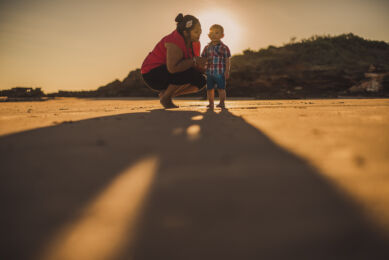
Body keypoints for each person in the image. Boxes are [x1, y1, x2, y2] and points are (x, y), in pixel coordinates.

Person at [141, 13, 207, 108]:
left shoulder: (195, 43)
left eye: (200, 31)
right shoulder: (174, 41)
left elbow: (194, 64)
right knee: (188, 73)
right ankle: (166, 98)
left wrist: (208, 70)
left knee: (201, 80)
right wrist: (195, 60)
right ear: (186, 32)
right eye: (196, 32)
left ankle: (166, 95)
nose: (199, 34)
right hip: (151, 73)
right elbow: (173, 68)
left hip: (169, 72)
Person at [201, 24, 231, 109]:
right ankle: (211, 103)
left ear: (222, 35)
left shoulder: (224, 47)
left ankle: (222, 103)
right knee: (209, 88)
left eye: (217, 33)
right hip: (209, 72)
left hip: (220, 72)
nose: (213, 35)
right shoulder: (207, 47)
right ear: (209, 35)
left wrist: (227, 71)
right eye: (211, 33)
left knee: (221, 88)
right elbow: (203, 59)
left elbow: (227, 60)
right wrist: (202, 68)